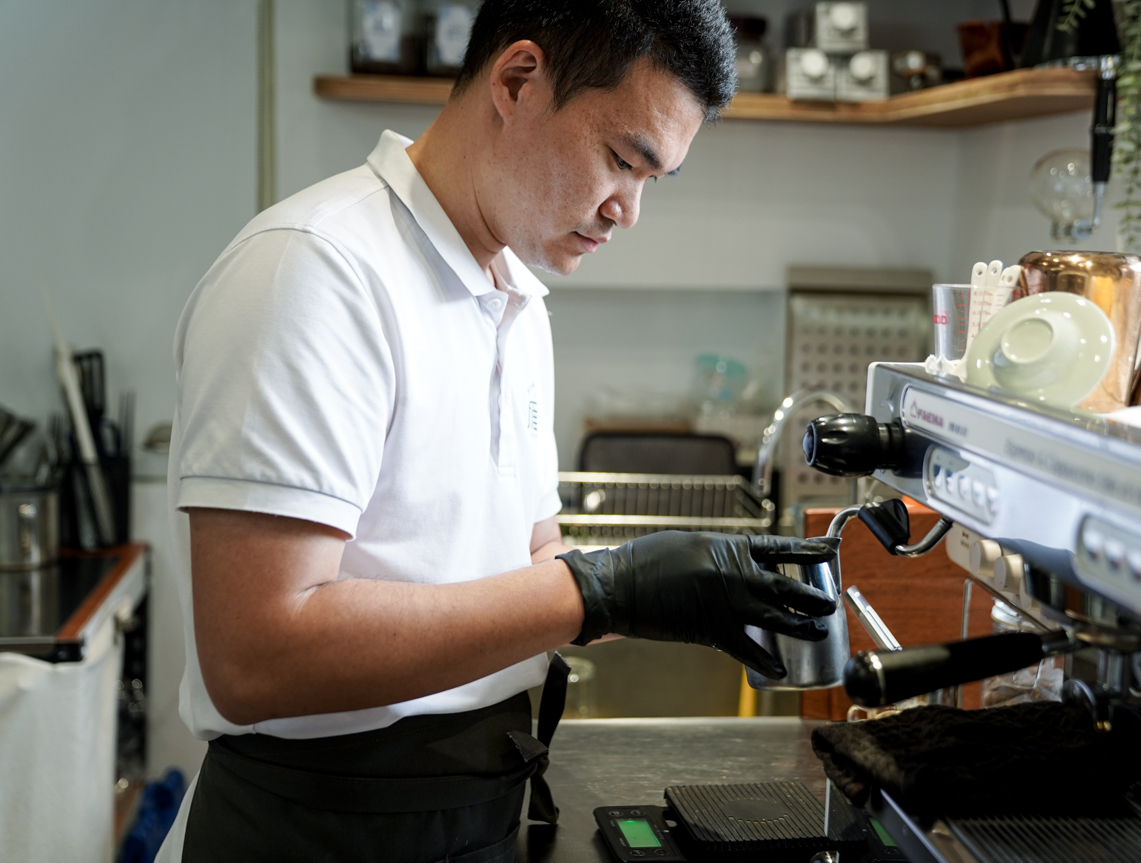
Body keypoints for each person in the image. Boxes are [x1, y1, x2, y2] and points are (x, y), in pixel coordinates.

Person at [155, 2, 837, 860]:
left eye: (651, 181)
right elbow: (255, 654)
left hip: (474, 806)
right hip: (323, 823)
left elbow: (523, 569)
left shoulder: (514, 296)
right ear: (517, 80)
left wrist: (678, 589)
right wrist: (601, 588)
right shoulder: (316, 269)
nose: (628, 210)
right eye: (623, 160)